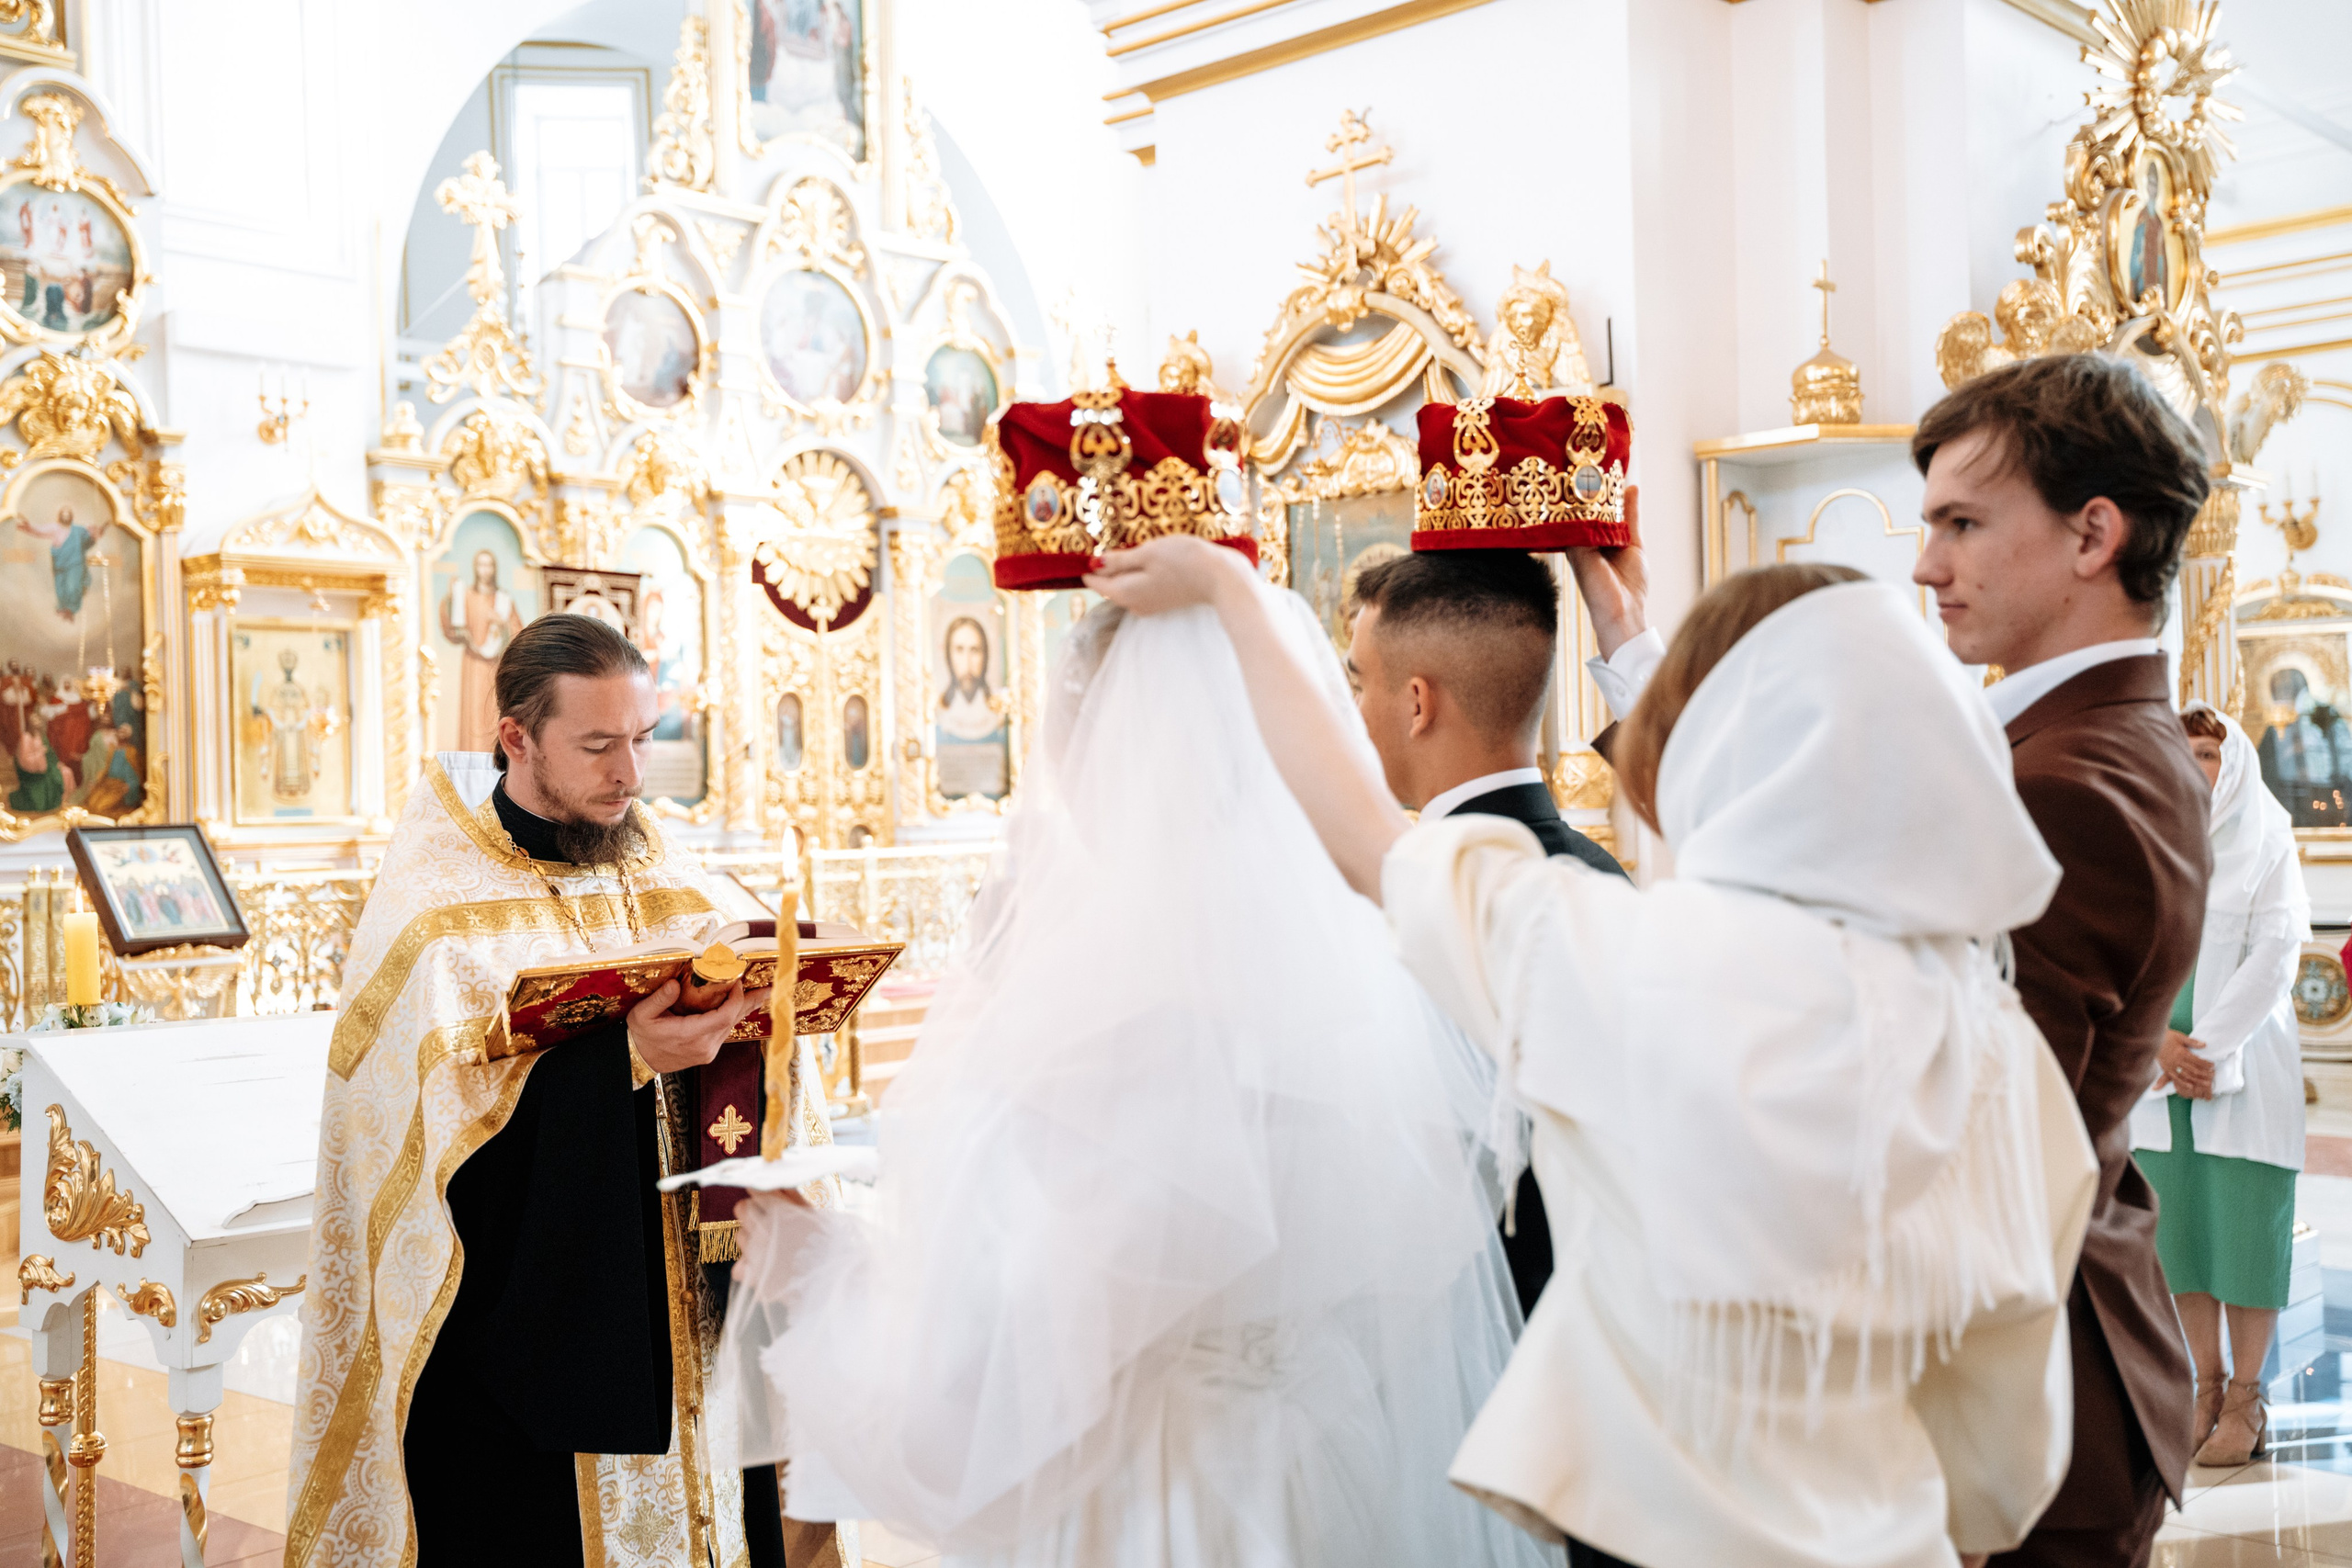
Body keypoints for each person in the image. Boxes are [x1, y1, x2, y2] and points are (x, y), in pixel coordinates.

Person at [1087, 539, 2098, 1568]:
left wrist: (1230, 592)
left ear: (1708, 750)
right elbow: (2001, 1440)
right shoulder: (1994, 1045)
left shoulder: (1617, 964)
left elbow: (1361, 837)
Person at [721, 581, 1558, 1568]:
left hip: (1151, 1496)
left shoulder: (1095, 1008)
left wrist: (821, 1266)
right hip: (1324, 1465)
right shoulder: (1369, 961)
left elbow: (986, 1376)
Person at [287, 615, 849, 1568]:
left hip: (692, 1320)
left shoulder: (669, 874)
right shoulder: (433, 914)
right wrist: (619, 1061)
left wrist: (768, 1019)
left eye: (641, 739)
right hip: (533, 1347)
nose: (629, 774)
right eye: (597, 745)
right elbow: (426, 1152)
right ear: (516, 737)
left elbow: (756, 1065)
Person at [1904, 353, 2213, 1568]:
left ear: (2094, 533)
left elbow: (1987, 1161)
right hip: (2073, 1362)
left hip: (2033, 1410)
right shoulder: (2087, 743)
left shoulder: (2060, 783)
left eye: (1964, 523)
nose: (1929, 563)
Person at [1345, 547, 1625, 1319]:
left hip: (1480, 1341)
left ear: (1415, 703)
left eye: (1358, 682)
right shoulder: (1604, 874)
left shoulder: (1422, 908)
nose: (1352, 710)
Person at [2131, 703, 2310, 1468]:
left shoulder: (2269, 838)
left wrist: (2204, 1051)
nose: (2199, 766)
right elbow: (2121, 946)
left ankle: (2247, 1395)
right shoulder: (2144, 833)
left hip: (2239, 1064)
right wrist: (2158, 1046)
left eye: (2211, 753)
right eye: (2187, 751)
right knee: (2181, 1233)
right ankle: (2201, 1384)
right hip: (2155, 1064)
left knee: (2244, 1225)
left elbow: (2278, 951)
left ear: (2234, 762)